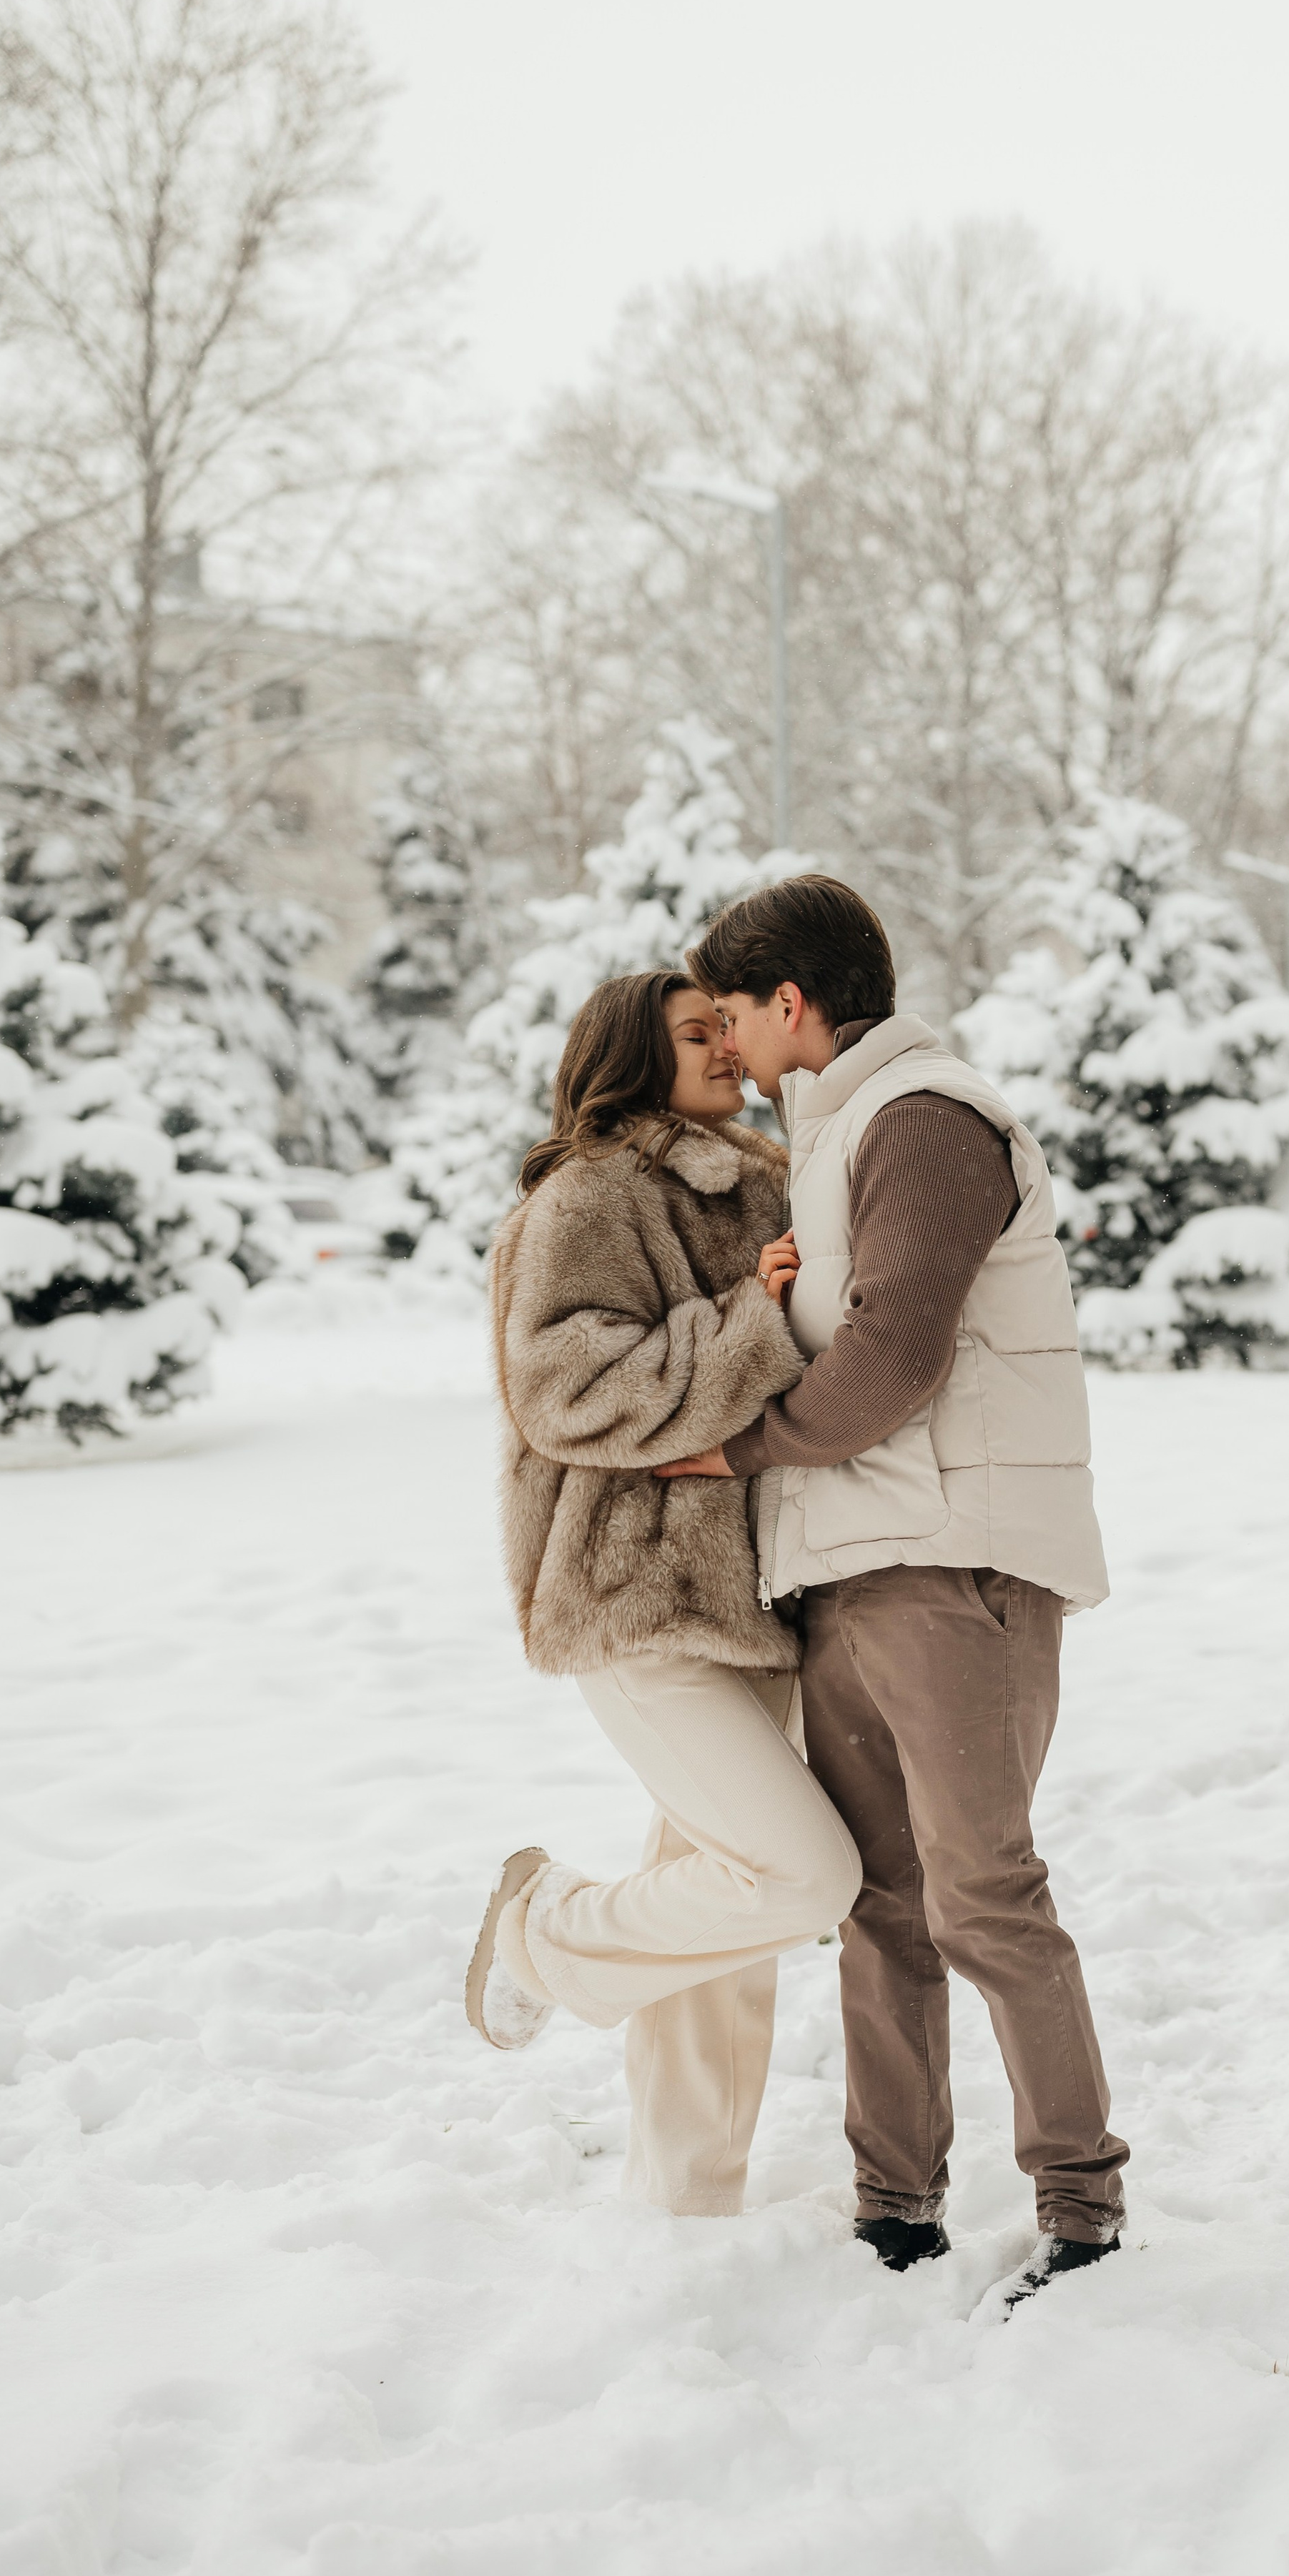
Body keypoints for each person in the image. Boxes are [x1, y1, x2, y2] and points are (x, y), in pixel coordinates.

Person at [656, 876, 1129, 2305]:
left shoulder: (926, 1116)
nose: (724, 1040)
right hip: (851, 1566)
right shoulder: (835, 1136)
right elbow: (832, 1330)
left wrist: (735, 1447)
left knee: (983, 1895)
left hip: (952, 1564)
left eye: (732, 1011)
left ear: (788, 1002)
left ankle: (1081, 2211)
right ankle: (894, 2206)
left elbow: (894, 1357)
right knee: (881, 1906)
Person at [465, 969, 862, 2219]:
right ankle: (540, 1929)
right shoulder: (588, 1194)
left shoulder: (764, 1182)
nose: (728, 1052)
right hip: (636, 1594)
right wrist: (754, 1317)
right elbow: (565, 1392)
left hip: (762, 1596)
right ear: (631, 1055)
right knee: (801, 1878)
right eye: (696, 1035)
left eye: (728, 1030)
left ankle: (685, 2205)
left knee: (722, 1930)